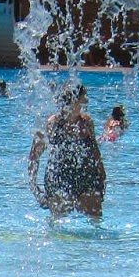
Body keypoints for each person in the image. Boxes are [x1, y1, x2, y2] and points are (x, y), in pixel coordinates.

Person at [28, 83, 106, 218]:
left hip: (87, 176)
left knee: (95, 220)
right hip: (59, 177)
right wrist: (34, 186)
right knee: (59, 225)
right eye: (84, 97)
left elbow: (95, 150)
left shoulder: (86, 122)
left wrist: (102, 176)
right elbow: (35, 156)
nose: (86, 100)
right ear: (74, 100)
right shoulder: (50, 124)